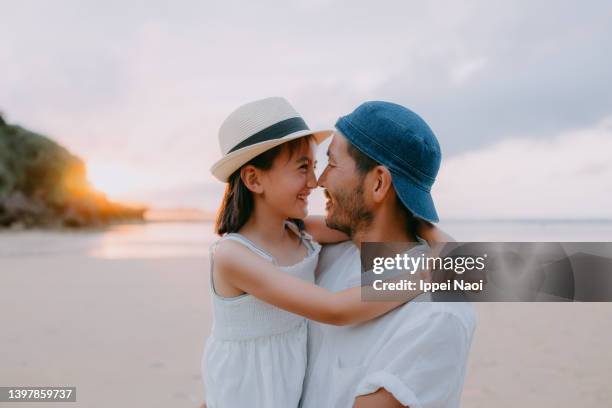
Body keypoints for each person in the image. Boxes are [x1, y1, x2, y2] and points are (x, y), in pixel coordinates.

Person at [201, 97, 441, 408]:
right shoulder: (233, 255)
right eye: (303, 168)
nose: (315, 182)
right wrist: (431, 273)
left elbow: (376, 219)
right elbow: (334, 310)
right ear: (253, 179)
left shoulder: (301, 233)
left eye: (315, 166)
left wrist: (440, 240)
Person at [299, 101, 476, 408]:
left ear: (379, 183)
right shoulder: (329, 257)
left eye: (332, 163)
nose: (319, 180)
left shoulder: (437, 312)